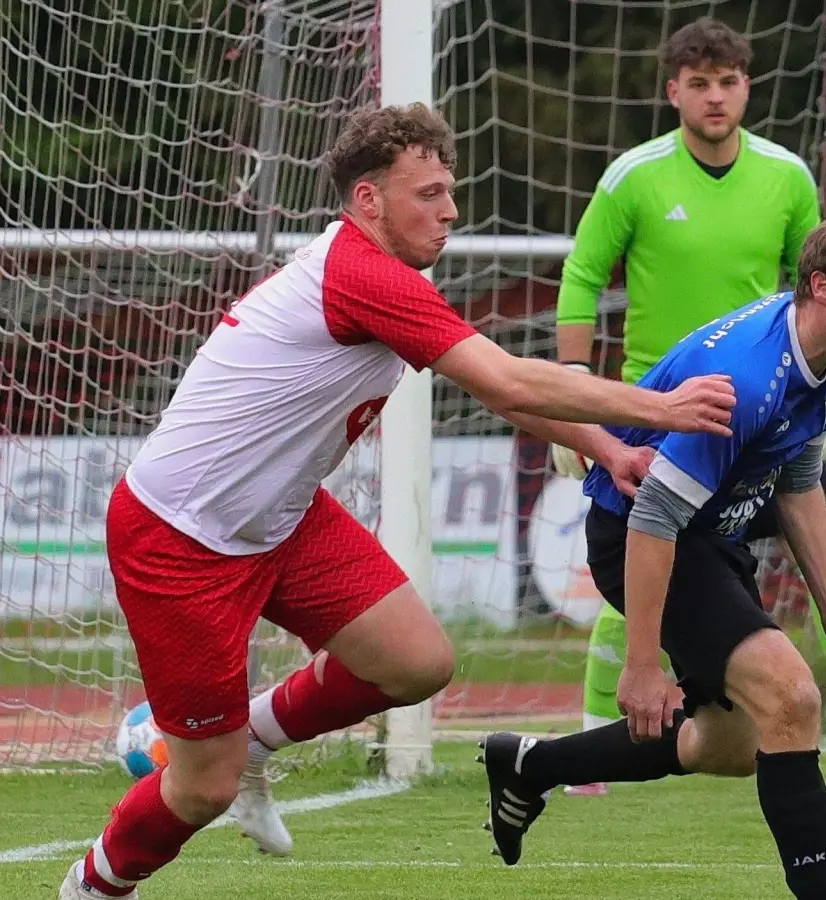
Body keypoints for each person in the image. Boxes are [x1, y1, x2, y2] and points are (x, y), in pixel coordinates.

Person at [59, 102, 740, 900]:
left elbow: (497, 393)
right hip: (181, 538)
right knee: (200, 789)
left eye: (450, 191)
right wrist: (663, 409)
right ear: (368, 202)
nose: (451, 210)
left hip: (281, 517)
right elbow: (509, 378)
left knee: (417, 662)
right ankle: (92, 887)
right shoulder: (362, 272)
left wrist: (608, 447)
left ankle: (251, 741)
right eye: (430, 193)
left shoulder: (388, 275)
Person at [551, 14, 826, 798]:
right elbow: (581, 281)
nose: (716, 98)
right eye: (700, 83)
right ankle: (590, 749)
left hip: (771, 413)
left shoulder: (786, 177)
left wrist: (809, 399)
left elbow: (819, 280)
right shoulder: (633, 177)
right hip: (666, 412)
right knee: (645, 568)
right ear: (674, 91)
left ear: (749, 87)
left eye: (730, 81)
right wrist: (577, 396)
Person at [481, 215, 826, 900]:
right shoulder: (747, 376)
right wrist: (641, 665)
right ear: (823, 286)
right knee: (793, 696)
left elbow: (799, 474)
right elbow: (654, 515)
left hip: (709, 540)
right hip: (646, 534)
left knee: (730, 745)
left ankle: (529, 765)